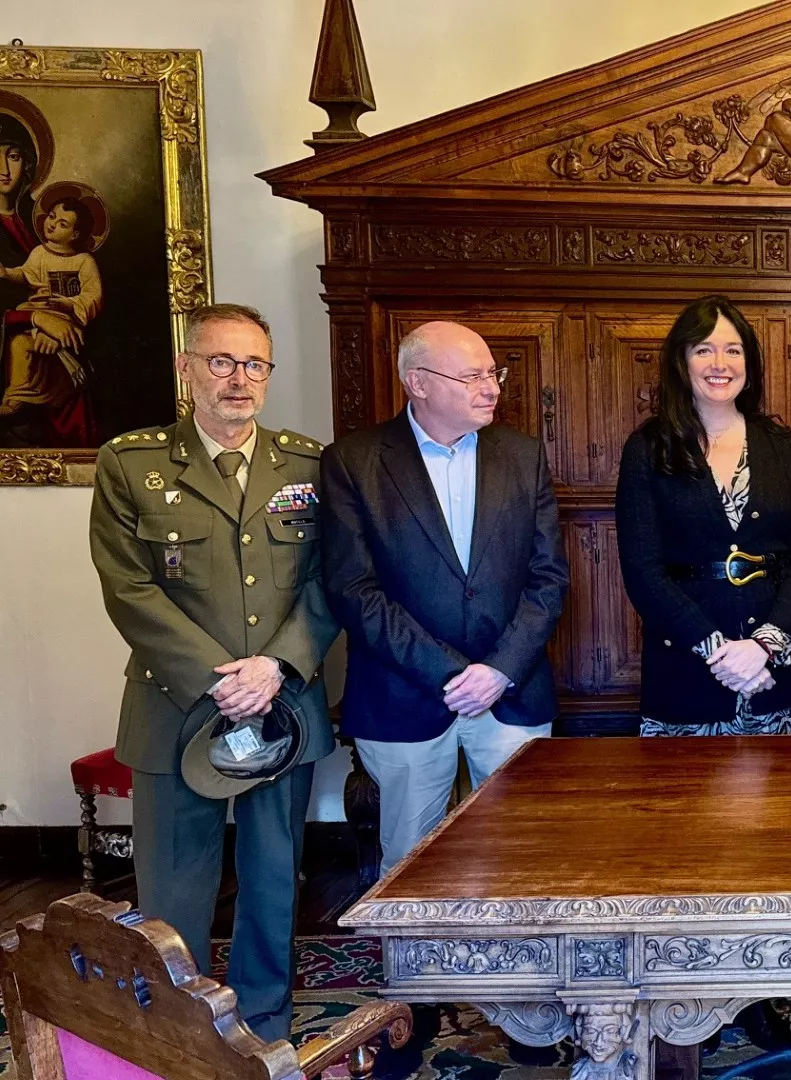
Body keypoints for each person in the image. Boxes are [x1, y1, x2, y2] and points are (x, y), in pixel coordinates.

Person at [87, 303, 336, 1042]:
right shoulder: (131, 462)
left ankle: (264, 1026)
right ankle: (181, 1033)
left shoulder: (307, 463)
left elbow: (328, 581)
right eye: (222, 361)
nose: (240, 379)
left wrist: (277, 665)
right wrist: (217, 677)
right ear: (186, 366)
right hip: (178, 707)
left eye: (254, 363)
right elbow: (125, 584)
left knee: (271, 882)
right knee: (174, 891)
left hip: (281, 704)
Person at [320, 320, 567, 877]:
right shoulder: (354, 461)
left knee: (520, 857)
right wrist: (450, 673)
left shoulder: (523, 456)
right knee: (410, 862)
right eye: (472, 376)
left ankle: (518, 965)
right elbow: (353, 590)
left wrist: (499, 669)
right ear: (419, 382)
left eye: (492, 373)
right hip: (402, 693)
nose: (492, 388)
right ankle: (423, 967)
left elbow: (548, 578)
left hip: (511, 691)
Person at [614, 294, 791, 735]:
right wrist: (722, 654)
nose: (720, 363)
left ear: (748, 361)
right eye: (704, 349)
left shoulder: (779, 444)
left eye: (733, 350)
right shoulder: (647, 448)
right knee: (686, 803)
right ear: (682, 361)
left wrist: (764, 646)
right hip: (687, 675)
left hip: (778, 675)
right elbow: (642, 571)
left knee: (789, 803)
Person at [0, 184, 105, 440]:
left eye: (62, 224)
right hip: (37, 312)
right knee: (21, 344)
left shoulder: (84, 261)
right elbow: (26, 274)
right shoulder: (38, 253)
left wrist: (67, 306)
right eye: (52, 216)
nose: (53, 224)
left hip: (67, 317)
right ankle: (17, 395)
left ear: (75, 234)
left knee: (53, 349)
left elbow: (93, 296)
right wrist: (6, 273)